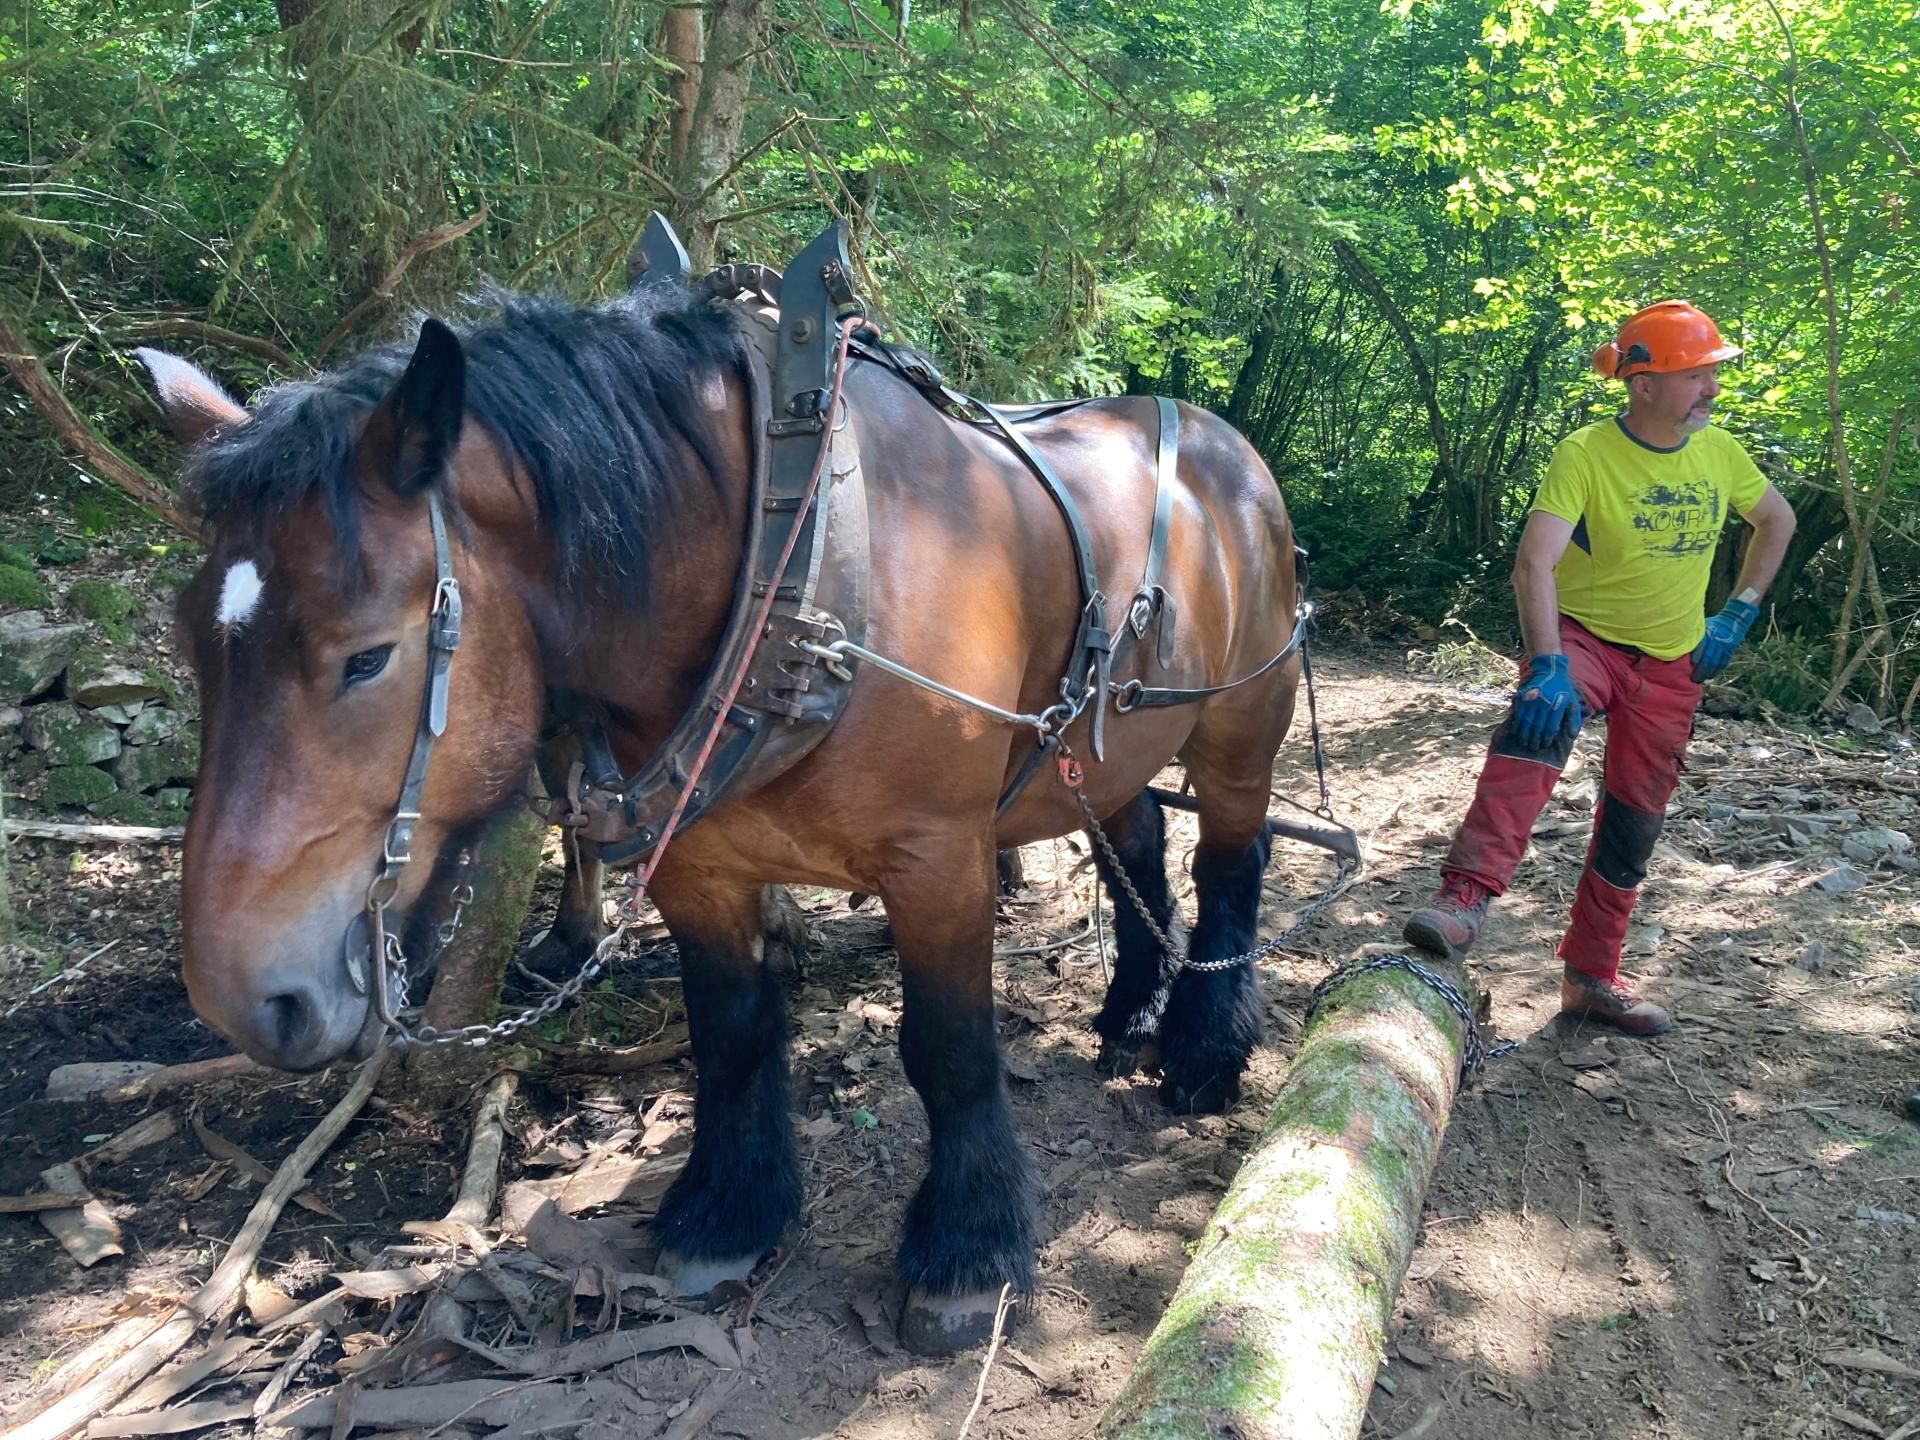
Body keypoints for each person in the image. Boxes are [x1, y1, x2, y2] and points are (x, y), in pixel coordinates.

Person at [1402, 300, 1798, 1034]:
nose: (1711, 387)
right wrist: (1547, 661)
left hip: (1673, 661)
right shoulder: (1585, 453)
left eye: (1713, 373)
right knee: (1535, 728)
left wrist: (1738, 610)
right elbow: (1534, 564)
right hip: (1584, 640)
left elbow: (1778, 520)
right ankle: (1464, 900)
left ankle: (1591, 976)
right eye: (1695, 374)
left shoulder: (1722, 454)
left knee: (1635, 818)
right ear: (1642, 384)